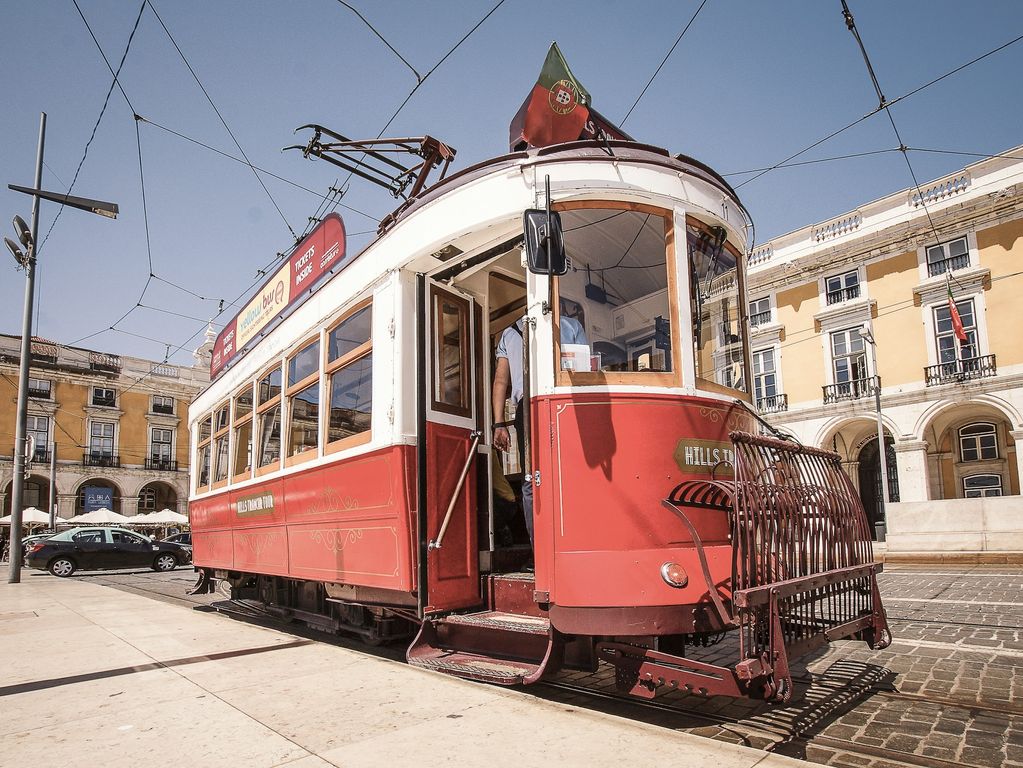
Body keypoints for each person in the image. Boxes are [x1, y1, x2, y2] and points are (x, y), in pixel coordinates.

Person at [492, 314, 587, 559]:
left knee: (531, 479)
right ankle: (573, 546)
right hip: (567, 403)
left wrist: (499, 423)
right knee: (569, 474)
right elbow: (585, 372)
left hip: (528, 408)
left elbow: (501, 380)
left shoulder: (509, 333)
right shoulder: (570, 325)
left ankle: (541, 556)